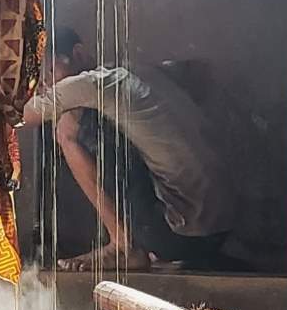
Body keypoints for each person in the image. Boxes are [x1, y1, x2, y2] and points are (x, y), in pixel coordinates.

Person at [21, 27, 235, 272]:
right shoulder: (131, 72)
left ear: (78, 54)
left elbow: (20, 117)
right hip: (220, 232)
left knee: (68, 127)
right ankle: (140, 245)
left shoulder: (92, 84)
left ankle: (123, 247)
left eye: (50, 71)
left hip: (180, 235)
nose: (47, 85)